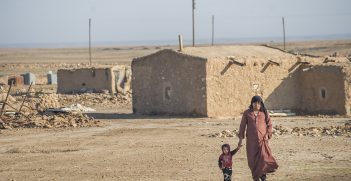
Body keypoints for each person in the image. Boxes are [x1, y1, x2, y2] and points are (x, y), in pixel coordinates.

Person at [238, 96, 278, 181]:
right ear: (251, 103)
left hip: (262, 141)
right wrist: (240, 140)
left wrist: (268, 134)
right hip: (251, 143)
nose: (256, 104)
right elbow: (242, 126)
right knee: (252, 161)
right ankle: (256, 177)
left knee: (263, 158)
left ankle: (263, 177)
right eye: (254, 102)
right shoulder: (247, 113)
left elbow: (269, 125)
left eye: (258, 103)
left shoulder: (264, 113)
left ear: (261, 104)